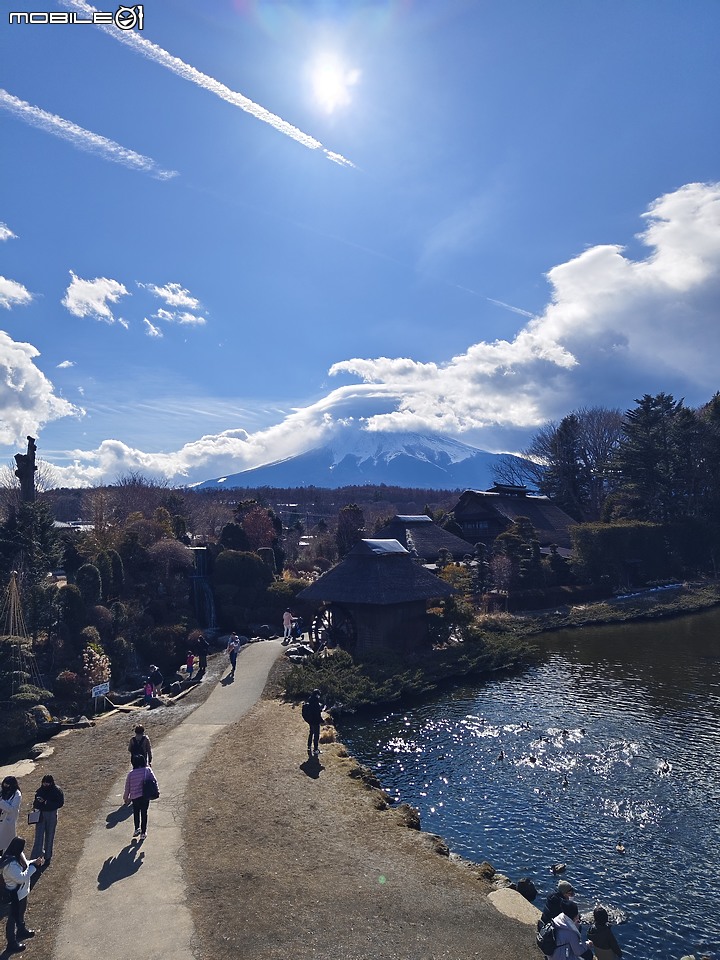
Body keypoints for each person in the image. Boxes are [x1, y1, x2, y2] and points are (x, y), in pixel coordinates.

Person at [1, 836, 44, 954]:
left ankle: (21, 930)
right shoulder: (9, 865)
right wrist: (34, 866)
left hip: (22, 893)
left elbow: (26, 864)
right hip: (15, 896)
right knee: (12, 919)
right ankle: (11, 943)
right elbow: (21, 877)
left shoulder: (18, 855)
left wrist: (34, 861)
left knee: (21, 913)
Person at [30, 775, 64, 869]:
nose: (45, 784)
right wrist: (37, 804)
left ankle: (47, 856)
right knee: (38, 836)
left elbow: (60, 803)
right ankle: (36, 858)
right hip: (41, 814)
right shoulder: (40, 790)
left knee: (49, 836)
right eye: (44, 782)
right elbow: (35, 802)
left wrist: (46, 803)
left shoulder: (57, 791)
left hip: (51, 814)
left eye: (47, 782)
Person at [123, 753, 159, 841]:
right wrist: (157, 790)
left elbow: (127, 787)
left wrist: (126, 798)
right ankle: (143, 832)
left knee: (136, 812)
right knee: (144, 813)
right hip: (145, 795)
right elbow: (154, 780)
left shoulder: (131, 774)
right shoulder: (147, 770)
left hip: (135, 797)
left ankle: (136, 829)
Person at [0, 776, 21, 856]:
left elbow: (12, 809)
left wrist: (1, 802)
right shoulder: (2, 791)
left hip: (7, 822)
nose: (5, 786)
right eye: (4, 783)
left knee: (6, 844)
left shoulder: (17, 794)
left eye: (7, 784)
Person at [303, 688, 324, 757]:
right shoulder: (316, 704)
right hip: (315, 721)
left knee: (311, 733)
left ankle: (309, 746)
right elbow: (317, 714)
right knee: (316, 735)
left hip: (310, 721)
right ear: (317, 695)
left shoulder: (310, 700)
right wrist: (322, 721)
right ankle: (315, 749)